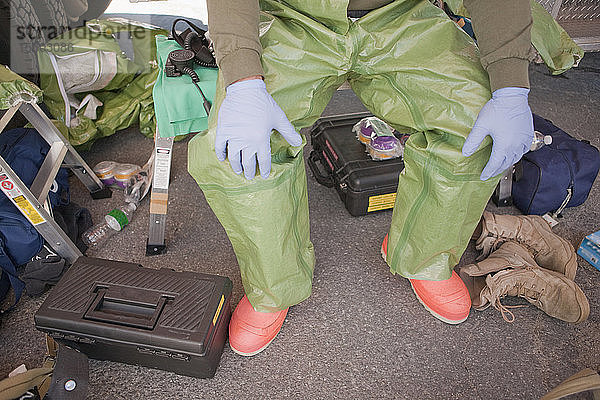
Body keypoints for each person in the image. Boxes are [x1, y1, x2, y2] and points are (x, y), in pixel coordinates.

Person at [189, 0, 534, 356]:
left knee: (476, 125)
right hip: (293, 18)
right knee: (236, 146)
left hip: (400, 14)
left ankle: (425, 256)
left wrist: (511, 87)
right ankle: (273, 286)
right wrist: (244, 80)